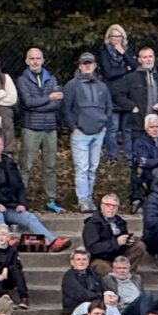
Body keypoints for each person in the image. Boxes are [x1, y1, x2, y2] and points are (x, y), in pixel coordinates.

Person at [14, 45, 65, 210]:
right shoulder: (22, 80)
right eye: (32, 58)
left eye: (38, 58)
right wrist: (48, 98)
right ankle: (21, 200)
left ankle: (51, 200)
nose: (35, 61)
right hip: (31, 128)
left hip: (50, 128)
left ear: (43, 60)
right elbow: (27, 102)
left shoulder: (52, 79)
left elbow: (57, 104)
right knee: (25, 166)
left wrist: (40, 103)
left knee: (50, 166)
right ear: (27, 61)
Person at [65, 50, 115, 208]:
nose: (87, 66)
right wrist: (73, 127)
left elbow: (109, 106)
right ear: (80, 66)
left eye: (90, 63)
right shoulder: (72, 85)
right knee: (82, 168)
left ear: (95, 65)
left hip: (98, 132)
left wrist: (104, 124)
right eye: (84, 64)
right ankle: (83, 201)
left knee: (93, 168)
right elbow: (66, 108)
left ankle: (89, 198)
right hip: (80, 132)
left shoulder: (102, 86)